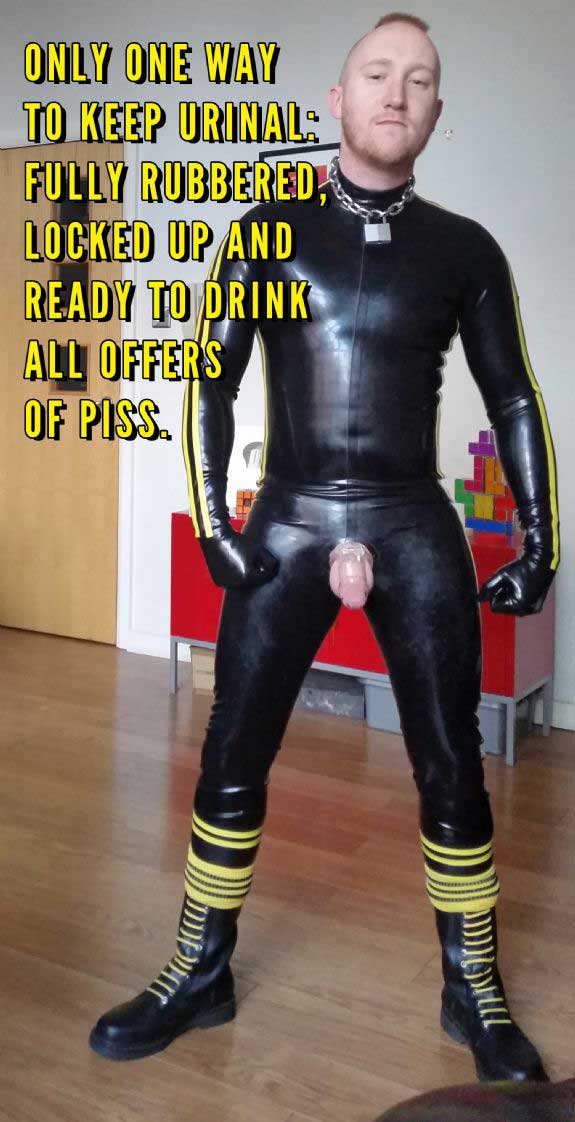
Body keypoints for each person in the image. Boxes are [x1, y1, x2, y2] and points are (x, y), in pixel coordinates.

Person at [89, 12, 560, 1080]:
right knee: (232, 747)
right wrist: (214, 524)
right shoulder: (265, 231)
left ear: (435, 113)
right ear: (336, 102)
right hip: (291, 518)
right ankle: (199, 970)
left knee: (450, 761)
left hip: (411, 519)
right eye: (376, 74)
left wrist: (540, 538)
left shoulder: (465, 249)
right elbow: (207, 382)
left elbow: (514, 398)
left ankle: (472, 986)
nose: (397, 92)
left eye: (419, 80)